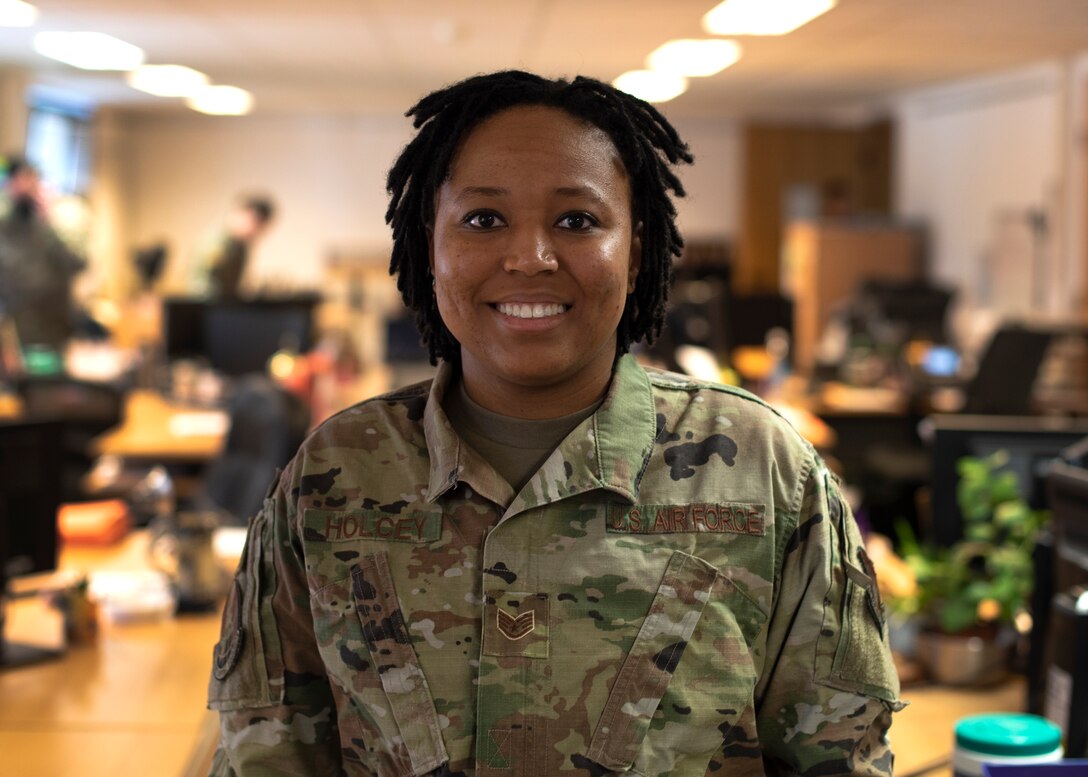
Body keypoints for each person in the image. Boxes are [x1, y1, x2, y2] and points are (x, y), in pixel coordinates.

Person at [207, 71, 902, 776]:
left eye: (577, 220)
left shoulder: (763, 470)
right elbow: (269, 755)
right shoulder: (335, 475)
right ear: (430, 244)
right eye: (483, 219)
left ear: (634, 247)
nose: (530, 257)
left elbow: (837, 758)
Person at [0, 154, 86, 352]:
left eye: (31, 180)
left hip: (55, 331)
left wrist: (49, 223)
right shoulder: (4, 232)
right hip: (17, 333)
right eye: (20, 180)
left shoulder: (48, 228)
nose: (25, 187)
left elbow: (76, 264)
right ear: (9, 185)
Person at [194, 194, 275, 299]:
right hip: (210, 308)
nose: (257, 232)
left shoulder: (241, 246)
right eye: (256, 223)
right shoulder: (218, 241)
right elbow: (204, 284)